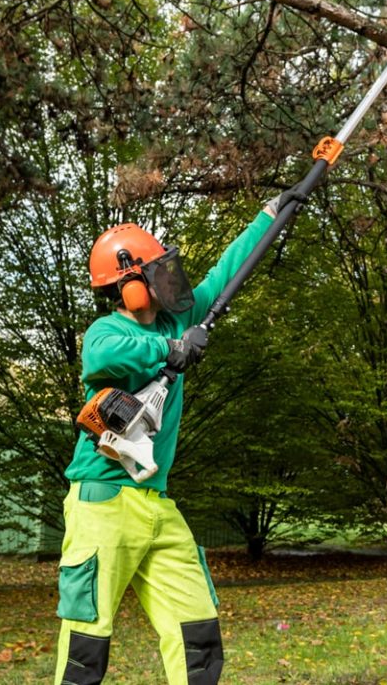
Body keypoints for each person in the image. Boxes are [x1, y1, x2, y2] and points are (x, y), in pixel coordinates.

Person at [54, 195, 291, 685]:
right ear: (132, 286)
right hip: (103, 504)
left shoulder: (177, 320)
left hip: (157, 504)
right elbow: (100, 359)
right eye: (157, 270)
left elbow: (228, 272)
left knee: (196, 627)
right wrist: (168, 349)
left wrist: (270, 215)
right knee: (85, 642)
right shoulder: (106, 330)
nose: (170, 277)